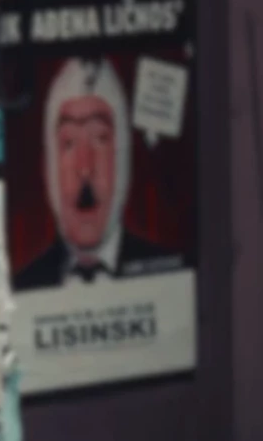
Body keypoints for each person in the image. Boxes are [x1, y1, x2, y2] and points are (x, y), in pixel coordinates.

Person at [13, 59, 174, 288]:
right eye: (69, 143)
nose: (85, 167)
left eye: (100, 139)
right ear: (50, 164)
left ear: (122, 157)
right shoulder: (22, 288)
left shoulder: (166, 275)